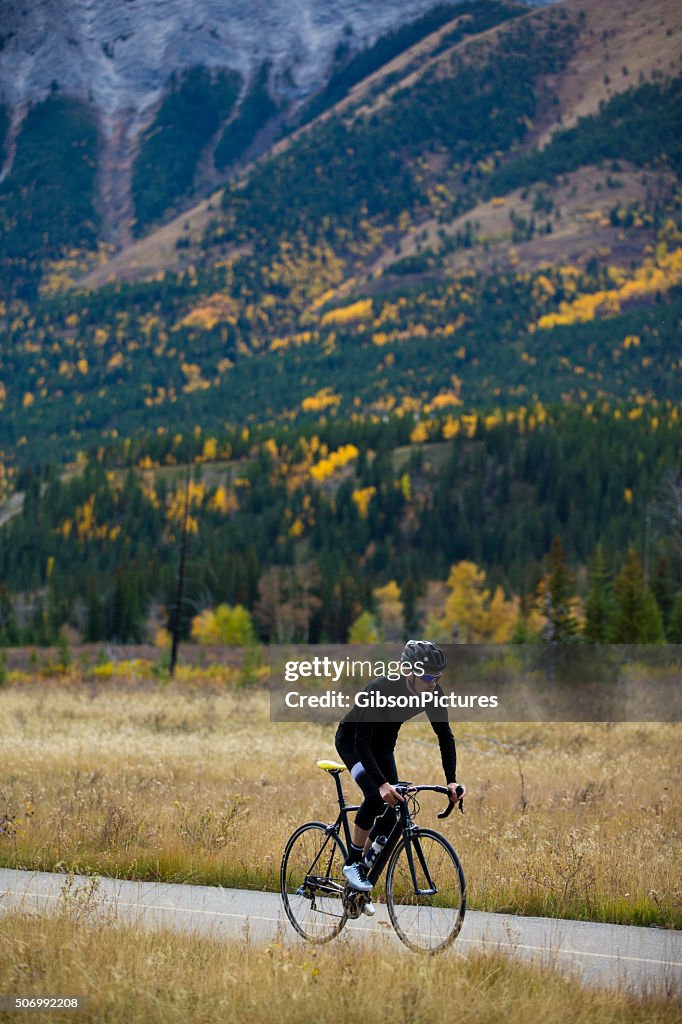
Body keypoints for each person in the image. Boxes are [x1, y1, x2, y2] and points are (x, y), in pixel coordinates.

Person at [334, 639, 465, 907]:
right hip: (354, 744)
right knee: (374, 795)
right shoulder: (379, 689)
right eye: (428, 676)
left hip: (382, 748)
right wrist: (381, 784)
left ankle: (358, 885)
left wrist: (451, 780)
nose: (433, 683)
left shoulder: (433, 693)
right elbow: (361, 743)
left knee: (395, 809)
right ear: (408, 671)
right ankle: (353, 863)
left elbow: (444, 736)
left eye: (438, 676)